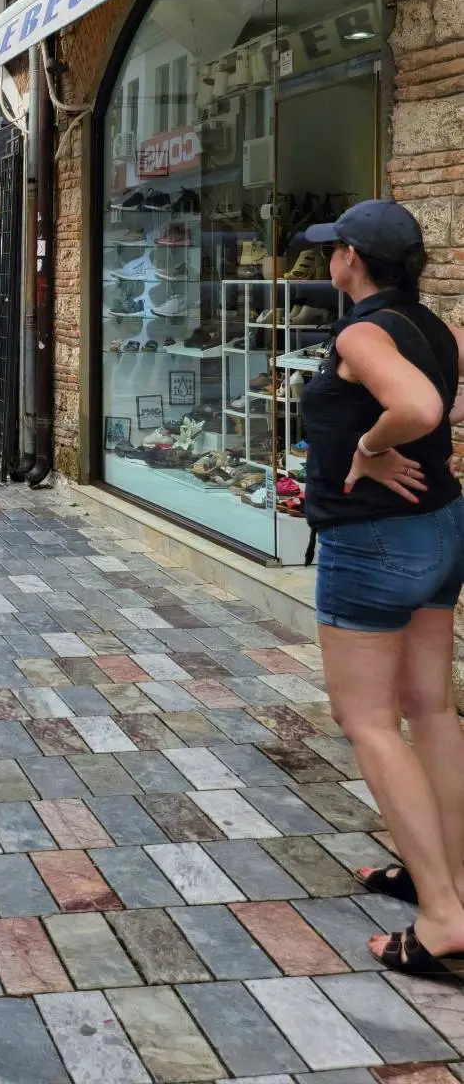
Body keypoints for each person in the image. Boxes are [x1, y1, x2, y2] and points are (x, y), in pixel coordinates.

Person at [298, 199, 464, 980]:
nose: (326, 261)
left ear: (352, 258)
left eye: (332, 249)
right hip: (436, 530)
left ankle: (440, 918)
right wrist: (434, 452)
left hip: (370, 539)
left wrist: (367, 447)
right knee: (430, 707)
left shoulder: (361, 332)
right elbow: (443, 401)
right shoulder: (432, 327)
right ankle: (445, 878)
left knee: (365, 719)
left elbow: (421, 407)